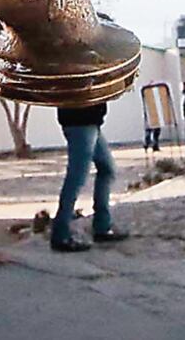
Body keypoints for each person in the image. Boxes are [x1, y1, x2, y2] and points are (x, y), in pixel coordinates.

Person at [51, 103, 129, 252]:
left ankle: (102, 226)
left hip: (88, 121)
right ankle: (60, 235)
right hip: (81, 121)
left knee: (106, 169)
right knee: (76, 177)